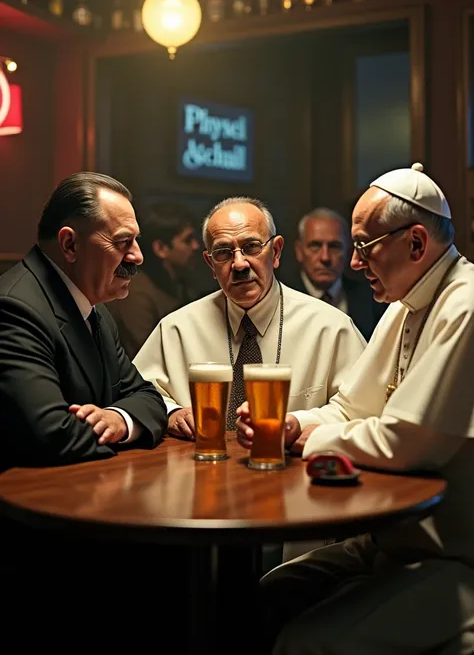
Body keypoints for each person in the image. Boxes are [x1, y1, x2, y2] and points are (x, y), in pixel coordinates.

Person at [237, 163, 474, 654]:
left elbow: (407, 442)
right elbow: (351, 407)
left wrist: (305, 439)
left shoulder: (466, 304)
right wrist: (292, 424)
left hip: (455, 556)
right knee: (263, 597)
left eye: (364, 246)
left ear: (415, 244)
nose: (355, 262)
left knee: (307, 644)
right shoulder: (404, 304)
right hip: (392, 541)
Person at [134, 196, 366, 441]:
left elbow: (358, 408)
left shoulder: (330, 327)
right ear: (210, 264)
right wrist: (172, 412)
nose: (239, 264)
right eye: (223, 253)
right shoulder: (175, 329)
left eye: (252, 247)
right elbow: (138, 392)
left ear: (275, 252)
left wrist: (298, 422)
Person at [0, 171, 168, 471]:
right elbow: (52, 436)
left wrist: (120, 419)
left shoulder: (94, 307)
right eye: (123, 242)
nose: (138, 256)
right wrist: (122, 423)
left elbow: (148, 398)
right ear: (70, 245)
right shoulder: (14, 309)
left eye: (136, 241)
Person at [107, 201, 201, 358]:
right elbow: (149, 356)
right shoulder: (136, 293)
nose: (196, 246)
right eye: (187, 240)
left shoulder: (181, 287)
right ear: (161, 248)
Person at [283, 207, 385, 340]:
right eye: (315, 246)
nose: (325, 257)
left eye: (334, 246)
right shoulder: (282, 300)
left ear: (348, 251)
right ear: (299, 251)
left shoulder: (372, 299)